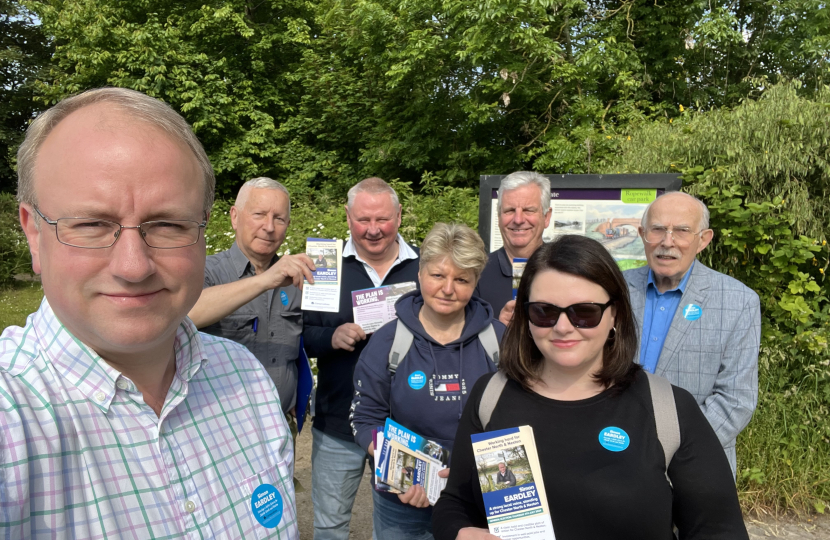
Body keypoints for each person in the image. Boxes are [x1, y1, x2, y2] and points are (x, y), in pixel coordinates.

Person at [1, 88, 298, 538]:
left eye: (168, 225)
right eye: (91, 225)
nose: (133, 266)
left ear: (201, 228)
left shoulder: (245, 380)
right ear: (34, 233)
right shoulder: (12, 422)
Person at [433, 235, 748, 540]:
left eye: (585, 312)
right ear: (525, 316)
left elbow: (719, 529)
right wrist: (458, 532)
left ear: (615, 314)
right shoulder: (491, 396)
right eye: (544, 312)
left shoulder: (667, 409)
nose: (563, 327)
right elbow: (456, 502)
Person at [351, 222, 505, 540]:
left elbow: (523, 417)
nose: (448, 289)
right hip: (405, 505)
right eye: (438, 275)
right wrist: (403, 476)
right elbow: (365, 420)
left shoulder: (500, 341)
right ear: (421, 274)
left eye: (461, 279)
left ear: (475, 281)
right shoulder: (387, 342)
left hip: (479, 502)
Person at [303, 177, 421, 539]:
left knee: (399, 528)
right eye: (362, 220)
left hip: (405, 427)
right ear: (347, 216)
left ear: (399, 216)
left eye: (382, 219)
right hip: (339, 420)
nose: (372, 230)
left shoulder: (425, 268)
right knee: (330, 525)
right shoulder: (325, 266)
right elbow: (301, 334)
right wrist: (331, 336)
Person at [625, 191, 761, 475]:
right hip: (618, 456)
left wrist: (672, 452)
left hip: (695, 466)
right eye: (658, 229)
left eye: (682, 231)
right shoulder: (615, 289)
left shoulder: (738, 300)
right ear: (642, 234)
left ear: (704, 240)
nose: (667, 242)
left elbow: (736, 400)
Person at [189, 177, 315, 416]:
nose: (269, 227)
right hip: (224, 424)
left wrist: (336, 334)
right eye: (259, 214)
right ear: (235, 217)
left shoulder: (298, 276)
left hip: (282, 422)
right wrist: (265, 281)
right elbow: (187, 314)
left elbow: (308, 338)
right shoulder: (205, 270)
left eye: (278, 218)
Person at [474, 171, 551, 326]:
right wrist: (497, 329)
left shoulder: (568, 267)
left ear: (546, 217)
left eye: (529, 210)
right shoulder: (476, 274)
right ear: (499, 217)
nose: (518, 220)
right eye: (509, 211)